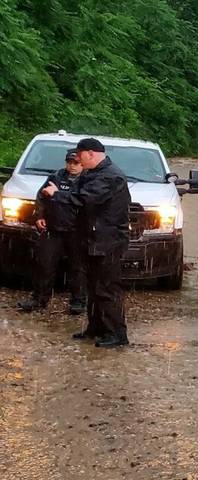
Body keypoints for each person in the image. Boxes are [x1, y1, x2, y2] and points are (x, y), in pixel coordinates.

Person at [41, 138, 131, 348]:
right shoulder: (94, 173)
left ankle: (117, 333)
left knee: (107, 289)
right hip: (92, 239)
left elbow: (83, 199)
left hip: (108, 241)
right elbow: (76, 196)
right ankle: (96, 328)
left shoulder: (110, 176)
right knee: (93, 286)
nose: (78, 162)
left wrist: (57, 194)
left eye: (80, 157)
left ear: (90, 154)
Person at [18, 149, 87, 314]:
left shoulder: (87, 181)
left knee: (78, 268)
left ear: (83, 164)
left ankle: (78, 302)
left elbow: (86, 202)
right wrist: (39, 215)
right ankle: (38, 299)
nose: (71, 166)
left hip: (77, 231)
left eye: (75, 163)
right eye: (69, 162)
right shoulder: (56, 176)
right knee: (44, 264)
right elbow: (42, 196)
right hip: (53, 228)